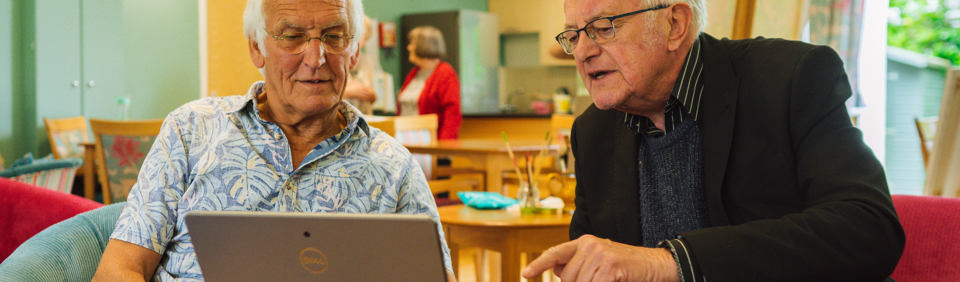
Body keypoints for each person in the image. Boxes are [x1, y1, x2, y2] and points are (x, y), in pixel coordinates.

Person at [522, 0, 904, 281]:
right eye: (573, 35)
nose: (583, 52)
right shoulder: (593, 132)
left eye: (603, 28)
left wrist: (670, 263)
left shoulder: (789, 78)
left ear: (674, 23)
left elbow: (869, 230)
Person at [93, 0, 456, 280]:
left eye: (334, 36)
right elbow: (118, 270)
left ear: (355, 50)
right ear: (256, 47)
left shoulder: (395, 168)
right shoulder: (191, 131)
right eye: (292, 36)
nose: (316, 58)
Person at [398, 25, 462, 140]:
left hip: (429, 141)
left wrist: (444, 144)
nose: (408, 47)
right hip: (406, 139)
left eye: (412, 44)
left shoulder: (445, 73)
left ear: (424, 46)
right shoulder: (414, 73)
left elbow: (452, 113)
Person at [343, 16, 377, 115]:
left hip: (364, 118)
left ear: (366, 39)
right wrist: (348, 92)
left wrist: (371, 95)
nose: (355, 38)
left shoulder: (366, 61)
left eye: (360, 34)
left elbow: (372, 96)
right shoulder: (333, 59)